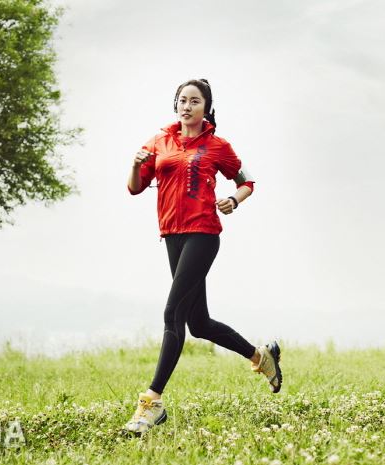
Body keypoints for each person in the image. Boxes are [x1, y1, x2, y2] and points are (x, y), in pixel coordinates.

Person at [123, 79, 283, 436]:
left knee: (172, 312)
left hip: (204, 234)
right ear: (175, 105)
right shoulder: (158, 142)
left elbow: (247, 181)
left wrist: (234, 199)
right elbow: (135, 187)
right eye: (182, 100)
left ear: (206, 107)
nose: (187, 106)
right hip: (172, 235)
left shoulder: (217, 146)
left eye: (195, 101)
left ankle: (151, 403)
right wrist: (135, 165)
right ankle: (261, 357)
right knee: (199, 324)